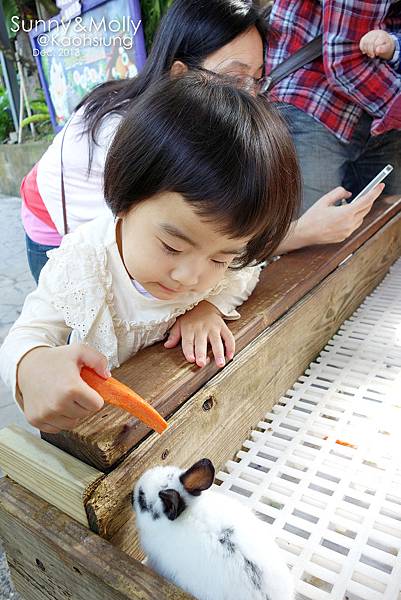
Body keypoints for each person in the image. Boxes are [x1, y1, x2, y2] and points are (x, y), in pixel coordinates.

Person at [0, 72, 301, 434]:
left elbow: (245, 273)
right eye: (172, 246)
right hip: (91, 427)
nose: (191, 278)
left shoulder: (222, 265)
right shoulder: (83, 262)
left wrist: (209, 307)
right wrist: (31, 367)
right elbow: (25, 334)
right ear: (125, 198)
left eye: (220, 258)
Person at [21, 0, 381, 283]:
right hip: (52, 226)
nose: (250, 97)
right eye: (235, 78)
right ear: (180, 74)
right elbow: (125, 262)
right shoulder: (118, 133)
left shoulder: (207, 124)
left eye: (257, 80)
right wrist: (299, 233)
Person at [265, 0, 401, 212]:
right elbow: (345, 60)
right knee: (307, 231)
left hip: (380, 111)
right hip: (314, 100)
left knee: (384, 230)